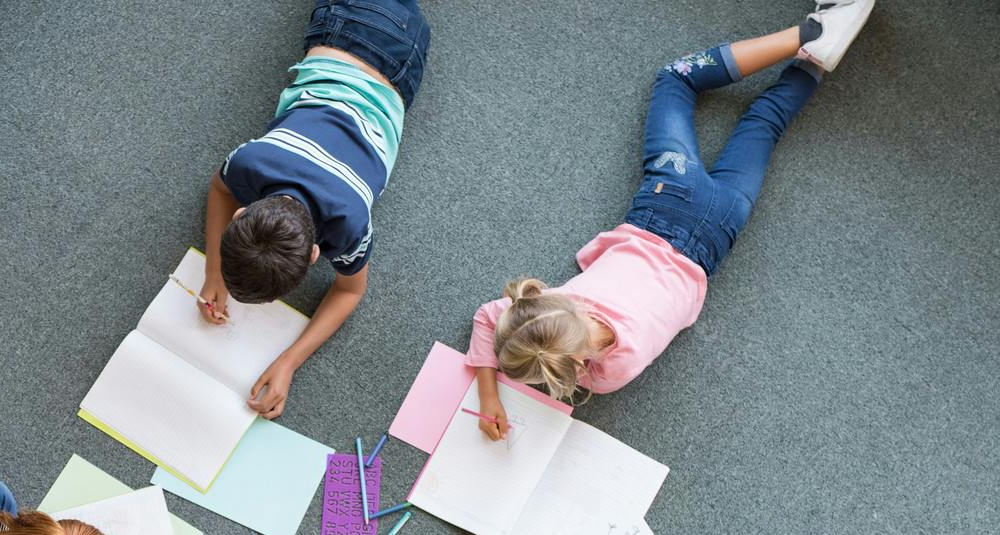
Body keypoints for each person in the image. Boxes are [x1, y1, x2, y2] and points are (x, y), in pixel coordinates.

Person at [465, 1, 873, 434]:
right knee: (675, 78)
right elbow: (489, 316)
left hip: (719, 230)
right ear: (544, 298)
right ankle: (807, 34)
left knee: (766, 122)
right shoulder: (559, 306)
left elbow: (538, 351)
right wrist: (488, 387)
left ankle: (814, 64)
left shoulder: (607, 373)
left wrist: (500, 391)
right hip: (665, 203)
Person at [200, 0, 431, 420]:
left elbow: (350, 290)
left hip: (400, 56)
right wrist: (213, 271)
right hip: (341, 33)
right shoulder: (254, 161)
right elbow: (220, 189)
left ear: (313, 254)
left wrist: (290, 360)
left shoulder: (350, 222)